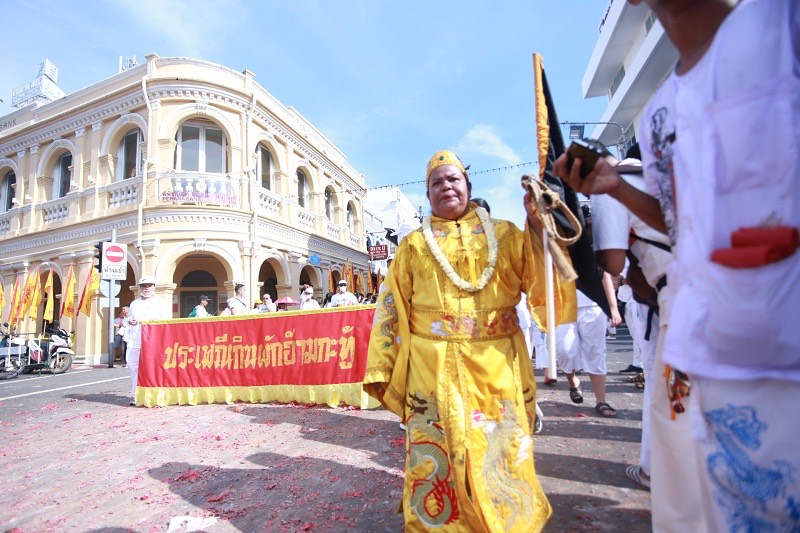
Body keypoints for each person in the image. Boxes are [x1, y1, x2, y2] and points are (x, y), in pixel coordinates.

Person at [557, 1, 799, 530]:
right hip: (701, 341)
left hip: (787, 337)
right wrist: (615, 188)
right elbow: (679, 220)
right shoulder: (657, 108)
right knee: (711, 501)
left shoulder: (781, 22)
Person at [364, 150, 576, 531]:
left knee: (500, 450)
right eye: (436, 183)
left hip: (497, 364)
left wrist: (538, 222)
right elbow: (391, 308)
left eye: (453, 179)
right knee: (440, 453)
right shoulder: (412, 246)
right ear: (427, 196)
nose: (445, 187)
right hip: (433, 370)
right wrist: (384, 364)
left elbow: (539, 280)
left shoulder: (507, 234)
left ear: (468, 186)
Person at [590, 145, 672, 490]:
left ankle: (657, 472)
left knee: (667, 391)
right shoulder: (668, 176)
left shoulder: (610, 183)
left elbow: (611, 263)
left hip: (680, 297)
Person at [126, 277, 169, 406]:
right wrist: (130, 321)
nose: (146, 288)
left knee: (154, 368)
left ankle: (158, 397)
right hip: (135, 340)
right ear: (140, 288)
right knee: (133, 366)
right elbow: (129, 319)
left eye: (149, 285)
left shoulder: (161, 303)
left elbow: (166, 322)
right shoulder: (135, 303)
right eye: (143, 286)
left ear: (154, 287)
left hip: (153, 341)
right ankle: (136, 395)